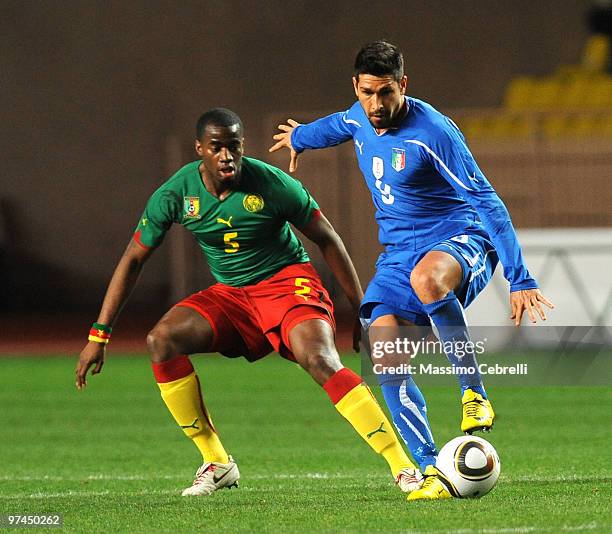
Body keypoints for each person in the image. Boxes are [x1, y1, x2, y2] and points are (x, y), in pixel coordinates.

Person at [75, 107, 424, 498]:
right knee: (162, 341)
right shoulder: (176, 194)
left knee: (321, 359)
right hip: (232, 295)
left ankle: (403, 466)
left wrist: (363, 312)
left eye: (235, 147)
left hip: (288, 284)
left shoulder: (272, 183)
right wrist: (99, 335)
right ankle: (217, 462)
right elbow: (133, 259)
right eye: (217, 148)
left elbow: (328, 238)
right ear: (199, 150)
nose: (227, 156)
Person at [270, 41, 554, 500]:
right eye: (367, 93)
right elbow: (336, 126)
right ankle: (429, 470)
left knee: (428, 280)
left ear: (403, 84)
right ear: (356, 87)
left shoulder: (433, 131)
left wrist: (519, 277)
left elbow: (488, 202)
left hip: (461, 235)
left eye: (386, 93)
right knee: (384, 348)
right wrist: (299, 137)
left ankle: (473, 393)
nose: (376, 105)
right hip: (399, 252)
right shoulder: (359, 114)